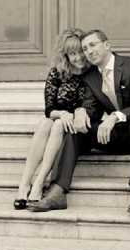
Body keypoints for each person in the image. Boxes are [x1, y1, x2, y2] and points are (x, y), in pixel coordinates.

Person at [32, 27, 130, 217]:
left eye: (92, 45)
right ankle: (57, 192)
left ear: (107, 45)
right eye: (85, 48)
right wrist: (81, 112)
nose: (89, 51)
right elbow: (90, 107)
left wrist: (114, 116)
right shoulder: (91, 77)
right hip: (119, 135)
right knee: (75, 129)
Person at [14, 28, 87, 209]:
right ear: (66, 55)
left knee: (58, 125)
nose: (78, 57)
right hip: (56, 120)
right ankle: (24, 183)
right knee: (47, 122)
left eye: (80, 52)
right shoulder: (57, 72)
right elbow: (49, 109)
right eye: (72, 54)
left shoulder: (92, 74)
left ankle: (39, 182)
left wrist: (74, 113)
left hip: (72, 129)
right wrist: (62, 113)